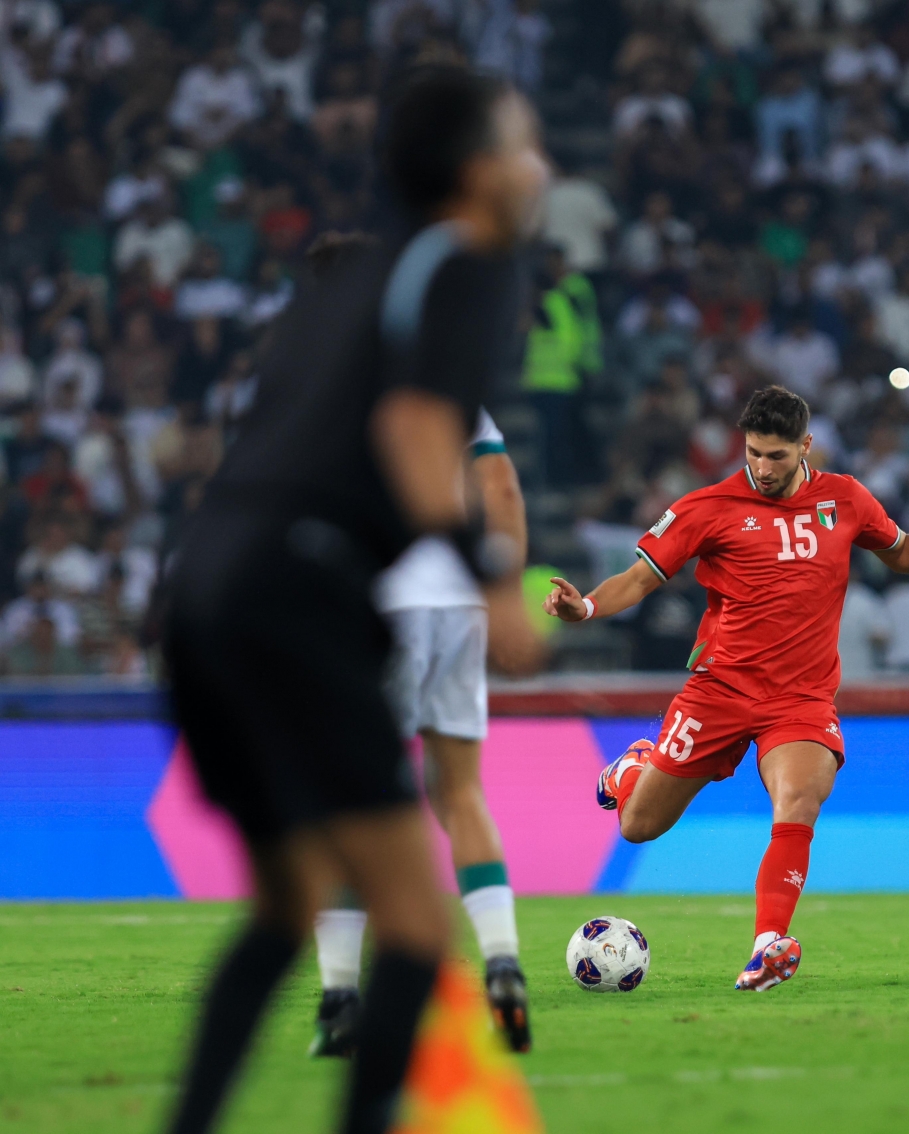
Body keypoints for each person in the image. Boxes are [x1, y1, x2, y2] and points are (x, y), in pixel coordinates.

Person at [159, 67, 547, 1134]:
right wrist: (494, 583)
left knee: (286, 907)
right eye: (523, 145)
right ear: (475, 171)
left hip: (206, 592)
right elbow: (416, 432)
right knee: (416, 926)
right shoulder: (464, 264)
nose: (540, 168)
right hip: (303, 593)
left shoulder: (341, 296)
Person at [543, 386, 909, 991]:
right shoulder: (709, 506)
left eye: (776, 456)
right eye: (753, 453)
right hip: (719, 691)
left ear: (806, 446)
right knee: (638, 826)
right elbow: (638, 580)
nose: (763, 468)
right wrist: (584, 607)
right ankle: (633, 767)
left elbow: (901, 553)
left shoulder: (846, 498)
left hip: (801, 699)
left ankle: (767, 946)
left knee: (800, 801)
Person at [310, 388, 533, 1052]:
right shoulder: (459, 394)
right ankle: (503, 961)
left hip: (382, 604)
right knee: (461, 792)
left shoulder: (349, 395)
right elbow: (502, 490)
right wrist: (506, 596)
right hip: (461, 603)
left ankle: (340, 997)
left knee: (350, 799)